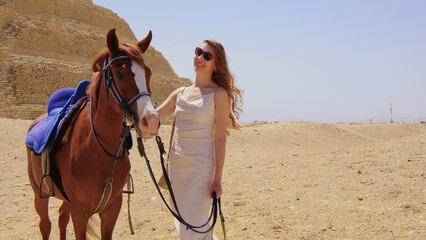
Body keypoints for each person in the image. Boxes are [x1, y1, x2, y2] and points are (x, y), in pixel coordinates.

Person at [155, 39, 243, 239]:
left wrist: (217, 179)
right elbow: (152, 119)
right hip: (177, 169)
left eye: (207, 56)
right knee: (183, 224)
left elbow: (220, 138)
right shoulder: (180, 93)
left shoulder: (219, 94)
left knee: (194, 228)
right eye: (198, 52)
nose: (200, 58)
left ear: (216, 64)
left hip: (201, 170)